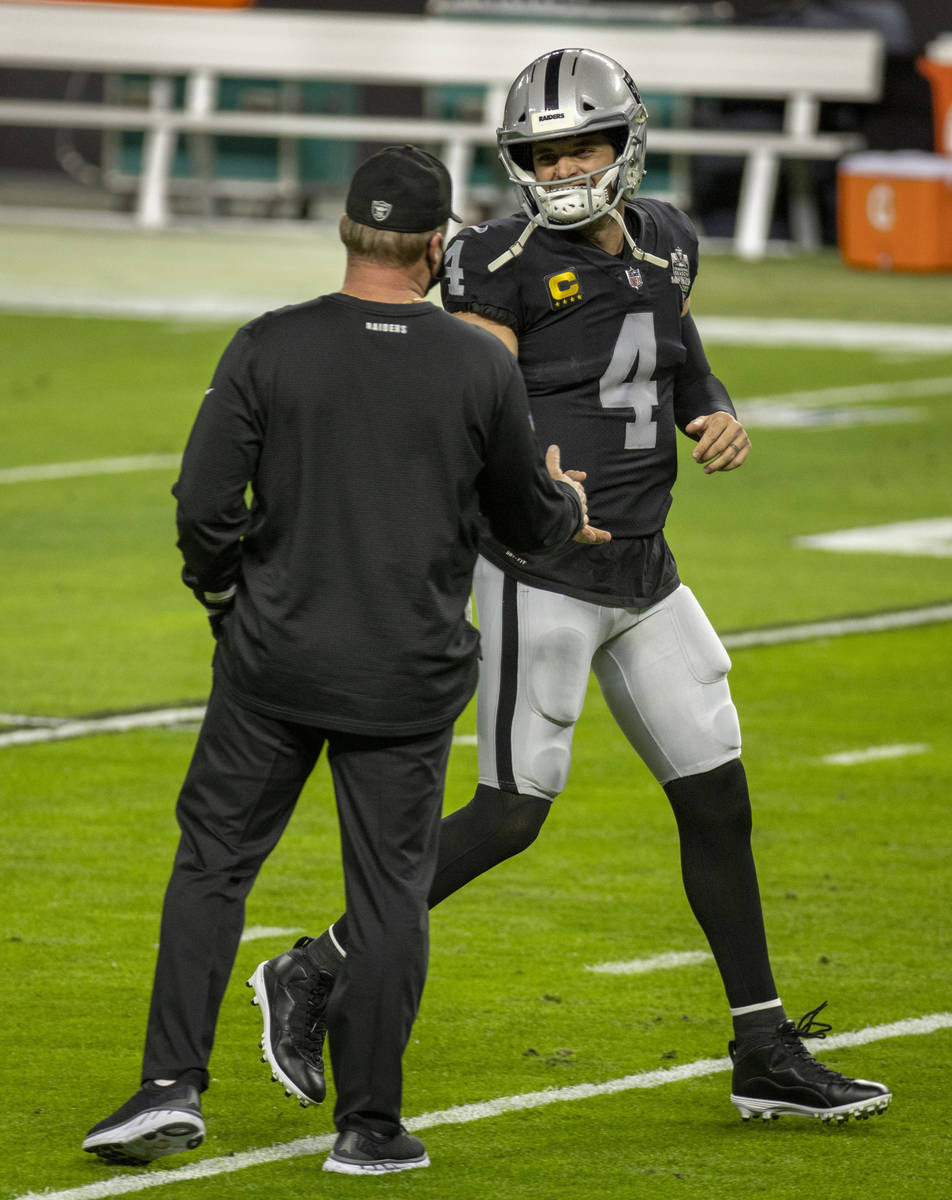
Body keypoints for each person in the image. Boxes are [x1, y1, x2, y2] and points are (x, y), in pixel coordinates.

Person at [254, 50, 892, 1126]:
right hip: (542, 571)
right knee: (510, 816)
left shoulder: (669, 240)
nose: (560, 167)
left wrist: (711, 406)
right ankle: (315, 965)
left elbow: (673, 347)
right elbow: (467, 398)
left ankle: (762, 1045)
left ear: (626, 143)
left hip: (644, 571)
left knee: (717, 796)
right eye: (542, 152)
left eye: (579, 145)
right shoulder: (499, 263)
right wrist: (528, 482)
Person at [81, 143, 609, 1176]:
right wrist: (568, 509)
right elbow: (528, 520)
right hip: (404, 677)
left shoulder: (267, 347)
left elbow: (202, 506)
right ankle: (368, 1128)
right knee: (389, 895)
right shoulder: (476, 363)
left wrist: (226, 595)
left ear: (345, 232)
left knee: (212, 868)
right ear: (434, 244)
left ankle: (167, 1087)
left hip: (272, 662)